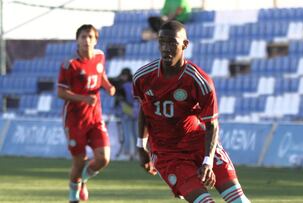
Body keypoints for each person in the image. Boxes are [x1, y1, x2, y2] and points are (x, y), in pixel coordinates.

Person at [133, 20, 251, 203]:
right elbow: (144, 109)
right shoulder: (143, 77)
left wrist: (207, 162)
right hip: (168, 154)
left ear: (185, 44)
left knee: (238, 201)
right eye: (162, 42)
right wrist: (141, 145)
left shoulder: (199, 81)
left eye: (172, 42)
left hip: (198, 142)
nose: (166, 48)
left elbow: (211, 124)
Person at [57, 24, 116, 203]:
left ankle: (83, 180)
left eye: (90, 36)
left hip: (95, 118)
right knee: (79, 161)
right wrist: (83, 99)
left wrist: (108, 86)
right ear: (77, 40)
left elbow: (101, 74)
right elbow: (60, 92)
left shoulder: (100, 56)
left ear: (96, 40)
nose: (86, 40)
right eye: (83, 37)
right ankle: (73, 196)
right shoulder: (70, 64)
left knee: (103, 158)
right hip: (74, 120)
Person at [109, 68, 138, 159]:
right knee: (136, 134)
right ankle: (138, 153)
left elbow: (120, 99)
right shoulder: (136, 84)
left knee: (127, 133)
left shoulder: (122, 86)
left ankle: (127, 153)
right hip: (137, 112)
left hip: (126, 112)